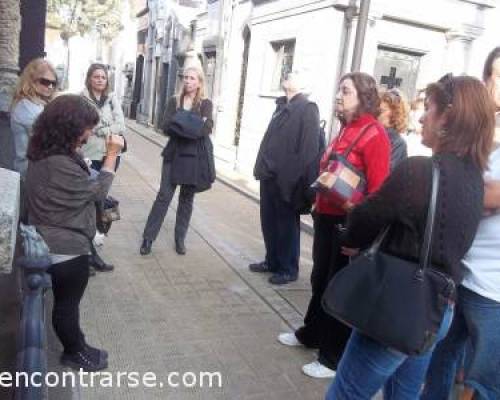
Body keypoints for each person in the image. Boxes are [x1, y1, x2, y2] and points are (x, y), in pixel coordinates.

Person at [325, 74, 495, 399]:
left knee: (344, 393)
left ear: (447, 117)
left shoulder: (419, 171)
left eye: (428, 108)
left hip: (399, 306)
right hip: (436, 308)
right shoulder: (475, 180)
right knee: (404, 395)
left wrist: (351, 231)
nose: (420, 116)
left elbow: (364, 218)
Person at [278, 72, 391, 378]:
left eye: (346, 91)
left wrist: (359, 224)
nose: (338, 96)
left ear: (364, 98)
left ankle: (332, 358)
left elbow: (379, 191)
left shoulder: (374, 134)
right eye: (339, 90)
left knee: (338, 287)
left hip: (349, 222)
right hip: (327, 217)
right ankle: (311, 334)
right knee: (319, 280)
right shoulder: (345, 129)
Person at [25, 94, 124, 371]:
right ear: (68, 126)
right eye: (87, 127)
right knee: (67, 305)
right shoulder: (57, 162)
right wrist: (112, 154)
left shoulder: (48, 153)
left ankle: (79, 344)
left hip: (60, 238)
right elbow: (98, 191)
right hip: (64, 246)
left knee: (70, 305)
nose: (90, 133)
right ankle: (73, 353)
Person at [423, 48, 500, 400]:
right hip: (458, 272)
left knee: (484, 385)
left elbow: (476, 197)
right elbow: (465, 193)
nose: (495, 83)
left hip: (494, 290)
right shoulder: (485, 138)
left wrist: (476, 194)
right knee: (437, 363)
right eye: (493, 74)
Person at [249, 70, 322, 285]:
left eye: (293, 74)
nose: (287, 75)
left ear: (302, 83)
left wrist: (295, 180)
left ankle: (288, 268)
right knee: (269, 222)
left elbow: (308, 150)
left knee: (286, 225)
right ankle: (272, 261)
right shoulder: (281, 106)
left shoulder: (308, 108)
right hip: (268, 175)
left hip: (288, 181)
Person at [140, 66, 214, 256]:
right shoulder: (174, 100)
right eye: (185, 78)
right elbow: (165, 126)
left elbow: (205, 130)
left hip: (194, 157)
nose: (188, 81)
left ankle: (179, 239)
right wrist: (192, 124)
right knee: (164, 196)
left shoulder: (206, 103)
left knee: (186, 199)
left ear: (199, 82)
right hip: (174, 153)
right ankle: (148, 238)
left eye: (192, 78)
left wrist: (180, 123)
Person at [81, 63, 126, 273]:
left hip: (109, 154)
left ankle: (91, 249)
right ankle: (88, 253)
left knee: (99, 203)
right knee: (89, 204)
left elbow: (121, 125)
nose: (100, 80)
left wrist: (100, 129)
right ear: (90, 78)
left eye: (103, 77)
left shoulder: (112, 98)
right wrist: (103, 129)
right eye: (96, 76)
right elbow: (82, 125)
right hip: (89, 156)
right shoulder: (82, 98)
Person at [10, 58, 57, 178]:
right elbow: (50, 139)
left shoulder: (40, 103)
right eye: (45, 82)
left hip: (40, 169)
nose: (50, 86)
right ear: (31, 80)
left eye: (53, 83)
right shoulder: (26, 106)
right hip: (31, 171)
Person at [378, 88, 408, 170]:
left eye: (381, 111)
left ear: (394, 114)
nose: (376, 114)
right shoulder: (373, 134)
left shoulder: (398, 143)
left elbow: (387, 173)